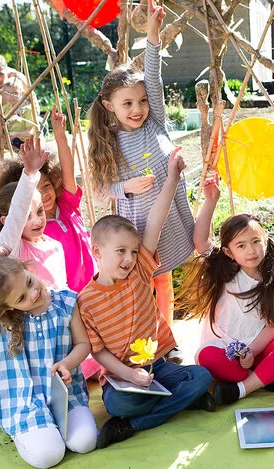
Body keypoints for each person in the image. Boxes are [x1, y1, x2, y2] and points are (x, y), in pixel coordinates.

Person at [77, 147, 214, 449]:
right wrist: (128, 374)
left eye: (133, 251)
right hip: (122, 377)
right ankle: (168, 405)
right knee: (117, 405)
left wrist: (173, 178)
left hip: (158, 365)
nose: (129, 258)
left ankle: (134, 425)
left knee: (202, 378)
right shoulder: (85, 301)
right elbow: (98, 352)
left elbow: (155, 222)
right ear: (97, 252)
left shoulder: (139, 270)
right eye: (120, 251)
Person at [86, 0, 193, 363]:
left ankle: (168, 340)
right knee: (143, 283)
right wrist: (125, 188)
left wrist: (151, 35)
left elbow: (154, 77)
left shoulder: (155, 122)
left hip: (170, 218)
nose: (137, 109)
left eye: (141, 101)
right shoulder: (108, 143)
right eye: (127, 103)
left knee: (164, 280)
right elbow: (99, 190)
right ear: (109, 106)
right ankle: (146, 342)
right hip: (138, 228)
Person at [0, 248, 97, 468]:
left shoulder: (67, 302)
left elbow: (83, 344)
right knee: (49, 456)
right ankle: (25, 431)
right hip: (25, 401)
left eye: (29, 282)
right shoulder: (4, 317)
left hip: (67, 396)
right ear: (7, 306)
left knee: (86, 442)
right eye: (21, 298)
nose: (32, 294)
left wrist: (68, 363)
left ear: (28, 269)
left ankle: (51, 427)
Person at [178, 175, 274, 405]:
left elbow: (273, 327)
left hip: (257, 351)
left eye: (256, 241)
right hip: (224, 351)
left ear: (265, 240)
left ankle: (242, 389)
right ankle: (267, 379)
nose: (251, 251)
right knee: (207, 358)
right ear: (228, 252)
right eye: (241, 246)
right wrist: (211, 200)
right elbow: (200, 240)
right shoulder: (225, 272)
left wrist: (252, 352)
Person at [0, 106, 97, 293]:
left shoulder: (68, 206)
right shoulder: (29, 233)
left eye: (46, 186)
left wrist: (60, 136)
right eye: (35, 191)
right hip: (67, 298)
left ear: (55, 182)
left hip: (95, 286)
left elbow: (68, 168)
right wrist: (30, 172)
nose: (44, 194)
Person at [0, 135, 67, 290]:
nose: (37, 221)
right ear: (6, 221)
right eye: (27, 216)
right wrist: (29, 173)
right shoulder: (13, 248)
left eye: (40, 211)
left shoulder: (54, 245)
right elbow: (17, 212)